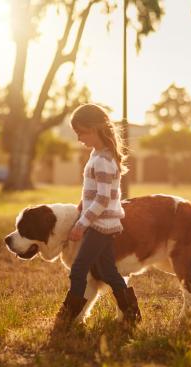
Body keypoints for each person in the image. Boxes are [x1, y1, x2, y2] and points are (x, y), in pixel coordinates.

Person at [54, 103, 141, 330]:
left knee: (79, 268)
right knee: (108, 271)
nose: (79, 138)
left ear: (95, 128)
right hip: (103, 223)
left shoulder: (103, 160)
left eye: (82, 132)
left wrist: (81, 225)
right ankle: (132, 313)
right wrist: (81, 208)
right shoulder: (98, 155)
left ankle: (68, 314)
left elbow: (102, 199)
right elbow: (93, 193)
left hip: (100, 226)